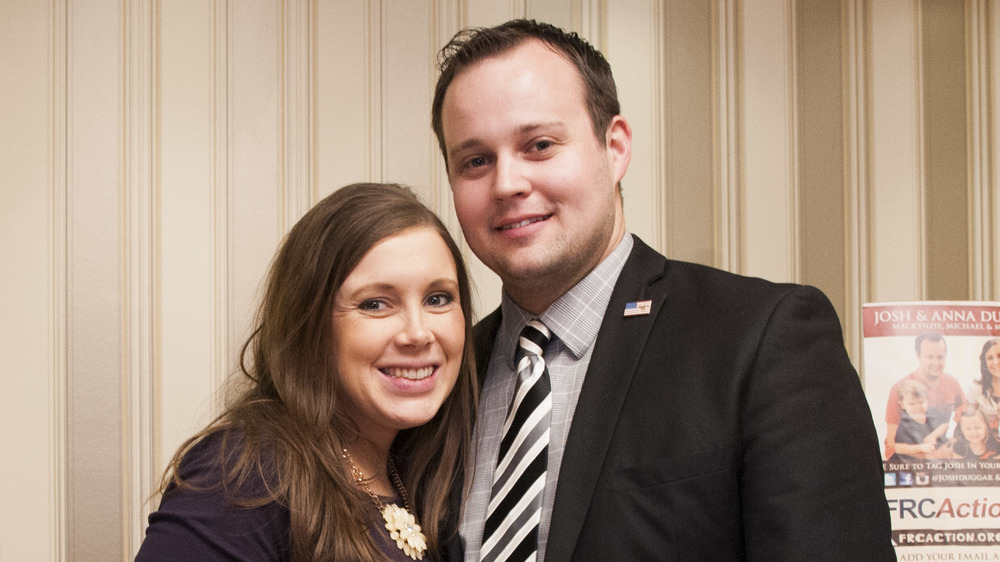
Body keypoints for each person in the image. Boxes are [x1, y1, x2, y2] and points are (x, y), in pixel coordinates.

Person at [431, 19, 894, 560]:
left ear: (615, 146)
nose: (507, 183)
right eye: (475, 161)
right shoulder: (445, 374)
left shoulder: (763, 339)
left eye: (539, 144)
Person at [136, 183, 476, 561]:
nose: (418, 332)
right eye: (375, 304)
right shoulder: (245, 477)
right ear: (310, 322)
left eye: (438, 298)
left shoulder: (416, 472)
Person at [884, 331, 966, 459]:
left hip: (942, 457)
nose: (936, 362)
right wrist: (924, 451)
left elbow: (965, 415)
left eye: (940, 357)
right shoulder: (899, 389)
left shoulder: (952, 383)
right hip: (910, 461)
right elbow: (891, 443)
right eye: (930, 357)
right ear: (918, 355)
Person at [888, 380, 950, 463]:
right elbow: (898, 448)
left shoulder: (932, 412)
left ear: (927, 400)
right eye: (912, 404)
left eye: (921, 402)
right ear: (902, 405)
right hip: (912, 460)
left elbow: (945, 424)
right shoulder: (904, 425)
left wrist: (933, 435)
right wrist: (921, 447)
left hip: (934, 450)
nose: (918, 407)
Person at [966, 338, 1000, 430]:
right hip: (985, 440)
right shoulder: (976, 388)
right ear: (985, 362)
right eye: (990, 358)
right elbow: (967, 420)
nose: (995, 362)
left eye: (999, 356)